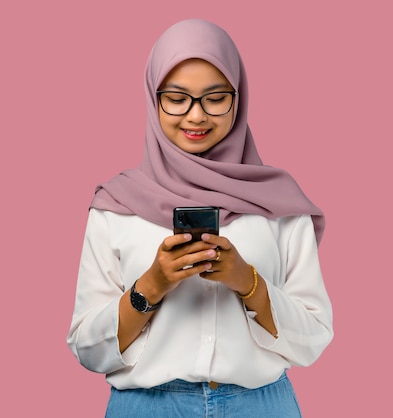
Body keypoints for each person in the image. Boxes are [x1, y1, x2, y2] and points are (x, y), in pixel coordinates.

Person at [67, 18, 333, 417]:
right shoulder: (115, 206)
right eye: (177, 97)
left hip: (260, 406)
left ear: (237, 98)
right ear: (153, 97)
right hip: (147, 407)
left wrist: (248, 282)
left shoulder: (278, 203)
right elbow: (88, 348)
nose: (196, 116)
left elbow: (314, 338)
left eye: (215, 97)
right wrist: (151, 285)